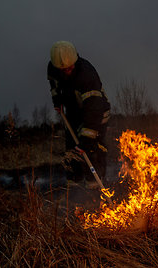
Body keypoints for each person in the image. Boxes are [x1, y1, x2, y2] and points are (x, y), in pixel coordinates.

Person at [47, 41, 111, 188]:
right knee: (72, 149)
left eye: (70, 68)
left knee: (91, 149)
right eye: (64, 70)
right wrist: (57, 100)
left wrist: (87, 139)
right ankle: (74, 186)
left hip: (97, 114)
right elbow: (54, 85)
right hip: (73, 112)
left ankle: (96, 189)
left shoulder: (87, 74)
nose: (68, 71)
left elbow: (94, 110)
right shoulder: (53, 68)